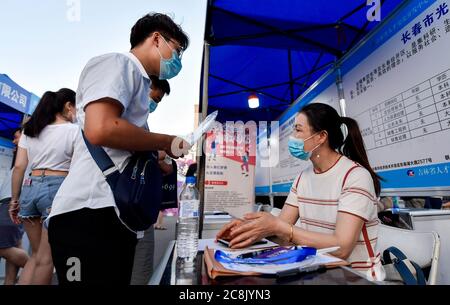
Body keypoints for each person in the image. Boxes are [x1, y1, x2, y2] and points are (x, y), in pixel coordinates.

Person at [47, 13, 191, 285]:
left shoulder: (138, 82)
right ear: (157, 38)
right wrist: (165, 140)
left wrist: (158, 155)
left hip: (112, 215)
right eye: (178, 50)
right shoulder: (118, 63)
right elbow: (100, 128)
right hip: (87, 212)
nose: (178, 59)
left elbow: (124, 145)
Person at [217, 103, 385, 281]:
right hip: (318, 273)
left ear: (321, 136)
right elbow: (282, 231)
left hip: (355, 277)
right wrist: (248, 229)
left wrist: (279, 227)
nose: (292, 137)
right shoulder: (302, 178)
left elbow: (342, 248)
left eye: (298, 130)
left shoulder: (355, 176)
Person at [9, 89, 78, 285]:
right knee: (47, 259)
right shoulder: (74, 131)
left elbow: (20, 166)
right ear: (67, 105)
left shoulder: (30, 131)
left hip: (30, 188)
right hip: (57, 189)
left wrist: (15, 200)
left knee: (36, 254)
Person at [130, 76, 173, 285]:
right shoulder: (129, 116)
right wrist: (164, 145)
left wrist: (161, 160)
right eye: (155, 98)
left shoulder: (140, 119)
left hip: (131, 203)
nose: (154, 104)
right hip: (131, 205)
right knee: (140, 266)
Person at [0, 128, 29, 285]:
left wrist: (14, 202)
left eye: (16, 137)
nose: (13, 141)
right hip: (11, 202)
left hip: (12, 202)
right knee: (12, 245)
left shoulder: (27, 155)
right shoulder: (21, 157)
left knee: (6, 246)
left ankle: (36, 267)